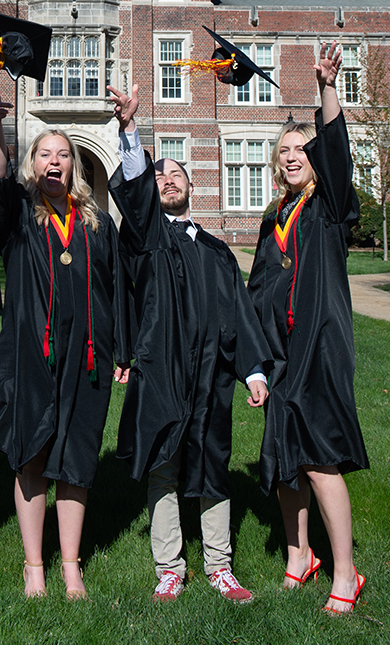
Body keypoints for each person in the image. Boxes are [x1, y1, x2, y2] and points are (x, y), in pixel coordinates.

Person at [108, 83, 272, 604]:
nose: (167, 180)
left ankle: (220, 566)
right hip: (162, 367)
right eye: (160, 175)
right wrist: (131, 131)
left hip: (211, 375)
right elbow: (134, 194)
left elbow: (240, 313)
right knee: (163, 463)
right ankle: (169, 567)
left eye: (175, 173)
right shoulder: (146, 236)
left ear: (192, 187)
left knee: (212, 462)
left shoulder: (218, 251)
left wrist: (254, 371)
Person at [0, 88, 130, 599]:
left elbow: (116, 290)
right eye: (45, 154)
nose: (55, 161)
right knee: (32, 454)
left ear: (74, 166)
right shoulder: (19, 217)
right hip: (31, 356)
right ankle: (34, 564)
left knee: (78, 457)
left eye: (63, 154)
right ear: (34, 165)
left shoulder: (96, 225)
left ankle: (70, 563)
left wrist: (120, 349)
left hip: (87, 358)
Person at [247, 42, 368, 614]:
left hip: (318, 347)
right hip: (280, 356)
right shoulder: (274, 217)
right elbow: (256, 292)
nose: (293, 157)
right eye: (285, 151)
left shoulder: (330, 208)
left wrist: (327, 87)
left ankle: (346, 571)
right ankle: (300, 556)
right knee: (282, 463)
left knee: (319, 460)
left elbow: (337, 151)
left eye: (302, 149)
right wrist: (254, 364)